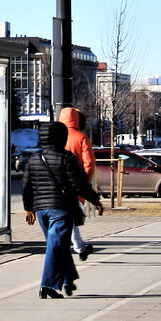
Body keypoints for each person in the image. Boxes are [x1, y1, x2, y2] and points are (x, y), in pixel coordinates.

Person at [22, 123, 103, 299]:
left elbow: (26, 186)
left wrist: (29, 209)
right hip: (61, 209)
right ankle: (48, 285)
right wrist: (95, 200)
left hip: (41, 211)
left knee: (57, 246)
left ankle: (68, 279)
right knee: (56, 247)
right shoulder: (66, 158)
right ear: (62, 137)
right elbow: (79, 183)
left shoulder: (34, 159)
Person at [59, 107, 97, 261]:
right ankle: (78, 247)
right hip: (75, 185)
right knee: (71, 217)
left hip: (57, 184)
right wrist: (85, 183)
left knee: (63, 217)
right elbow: (89, 164)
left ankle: (75, 246)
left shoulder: (56, 137)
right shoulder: (81, 138)